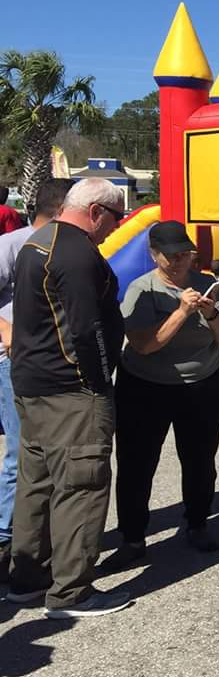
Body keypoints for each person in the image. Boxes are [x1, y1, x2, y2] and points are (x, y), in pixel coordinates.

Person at [5, 178, 129, 618]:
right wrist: (98, 381)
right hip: (71, 389)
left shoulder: (37, 242)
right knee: (82, 483)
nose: (114, 229)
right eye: (115, 219)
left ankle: (28, 577)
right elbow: (85, 327)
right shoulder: (76, 253)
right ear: (96, 212)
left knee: (37, 482)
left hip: (32, 383)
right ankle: (71, 591)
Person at [103, 222, 219, 570]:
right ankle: (133, 539)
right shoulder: (142, 289)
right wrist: (181, 312)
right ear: (154, 255)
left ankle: (197, 524)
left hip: (201, 385)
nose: (180, 261)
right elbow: (145, 345)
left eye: (185, 253)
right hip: (145, 386)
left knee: (199, 460)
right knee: (137, 464)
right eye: (171, 256)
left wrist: (209, 312)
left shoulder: (209, 285)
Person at [0, 178, 73, 571]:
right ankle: (6, 539)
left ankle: (39, 540)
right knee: (20, 453)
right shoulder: (15, 244)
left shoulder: (66, 246)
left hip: (50, 365)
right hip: (14, 362)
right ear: (62, 209)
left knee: (46, 456)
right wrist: (8, 332)